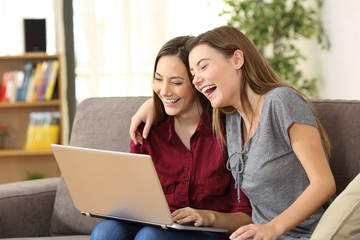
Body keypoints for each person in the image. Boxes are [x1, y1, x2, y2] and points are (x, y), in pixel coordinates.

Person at [129, 26, 336, 240]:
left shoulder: (280, 101)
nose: (197, 80)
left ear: (237, 60)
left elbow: (324, 183)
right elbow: (185, 105)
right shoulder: (231, 120)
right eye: (192, 74)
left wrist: (273, 228)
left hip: (300, 234)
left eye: (203, 67)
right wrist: (152, 105)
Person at [90, 35, 252, 240]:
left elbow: (246, 217)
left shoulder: (228, 131)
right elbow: (133, 198)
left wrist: (208, 216)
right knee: (106, 232)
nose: (164, 91)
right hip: (156, 226)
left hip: (208, 232)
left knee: (150, 237)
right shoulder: (148, 129)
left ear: (197, 82)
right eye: (158, 79)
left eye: (175, 82)